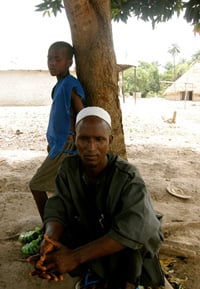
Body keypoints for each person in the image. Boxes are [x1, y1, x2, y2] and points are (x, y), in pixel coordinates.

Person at [28, 107, 164, 289]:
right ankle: (94, 275)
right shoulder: (69, 168)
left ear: (110, 141)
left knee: (132, 247)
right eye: (84, 139)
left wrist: (74, 257)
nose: (91, 148)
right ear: (74, 139)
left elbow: (132, 229)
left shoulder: (128, 176)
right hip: (96, 230)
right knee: (66, 234)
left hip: (123, 240)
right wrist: (50, 239)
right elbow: (58, 206)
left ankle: (128, 282)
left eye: (99, 139)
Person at [29, 41, 85, 220]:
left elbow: (81, 113)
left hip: (65, 145)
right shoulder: (59, 85)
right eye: (49, 59)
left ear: (69, 62)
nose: (52, 63)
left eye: (57, 59)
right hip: (56, 143)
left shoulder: (70, 84)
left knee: (36, 184)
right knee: (62, 190)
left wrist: (78, 141)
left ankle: (48, 227)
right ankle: (60, 228)